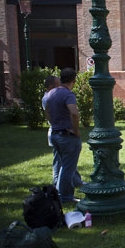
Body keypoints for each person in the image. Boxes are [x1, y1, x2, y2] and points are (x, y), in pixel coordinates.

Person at [45, 68, 82, 204]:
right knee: (68, 168)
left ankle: (60, 194)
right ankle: (64, 197)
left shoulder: (51, 93)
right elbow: (74, 113)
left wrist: (54, 123)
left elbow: (47, 111)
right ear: (74, 80)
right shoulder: (68, 94)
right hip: (67, 135)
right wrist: (76, 130)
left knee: (62, 166)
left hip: (54, 134)